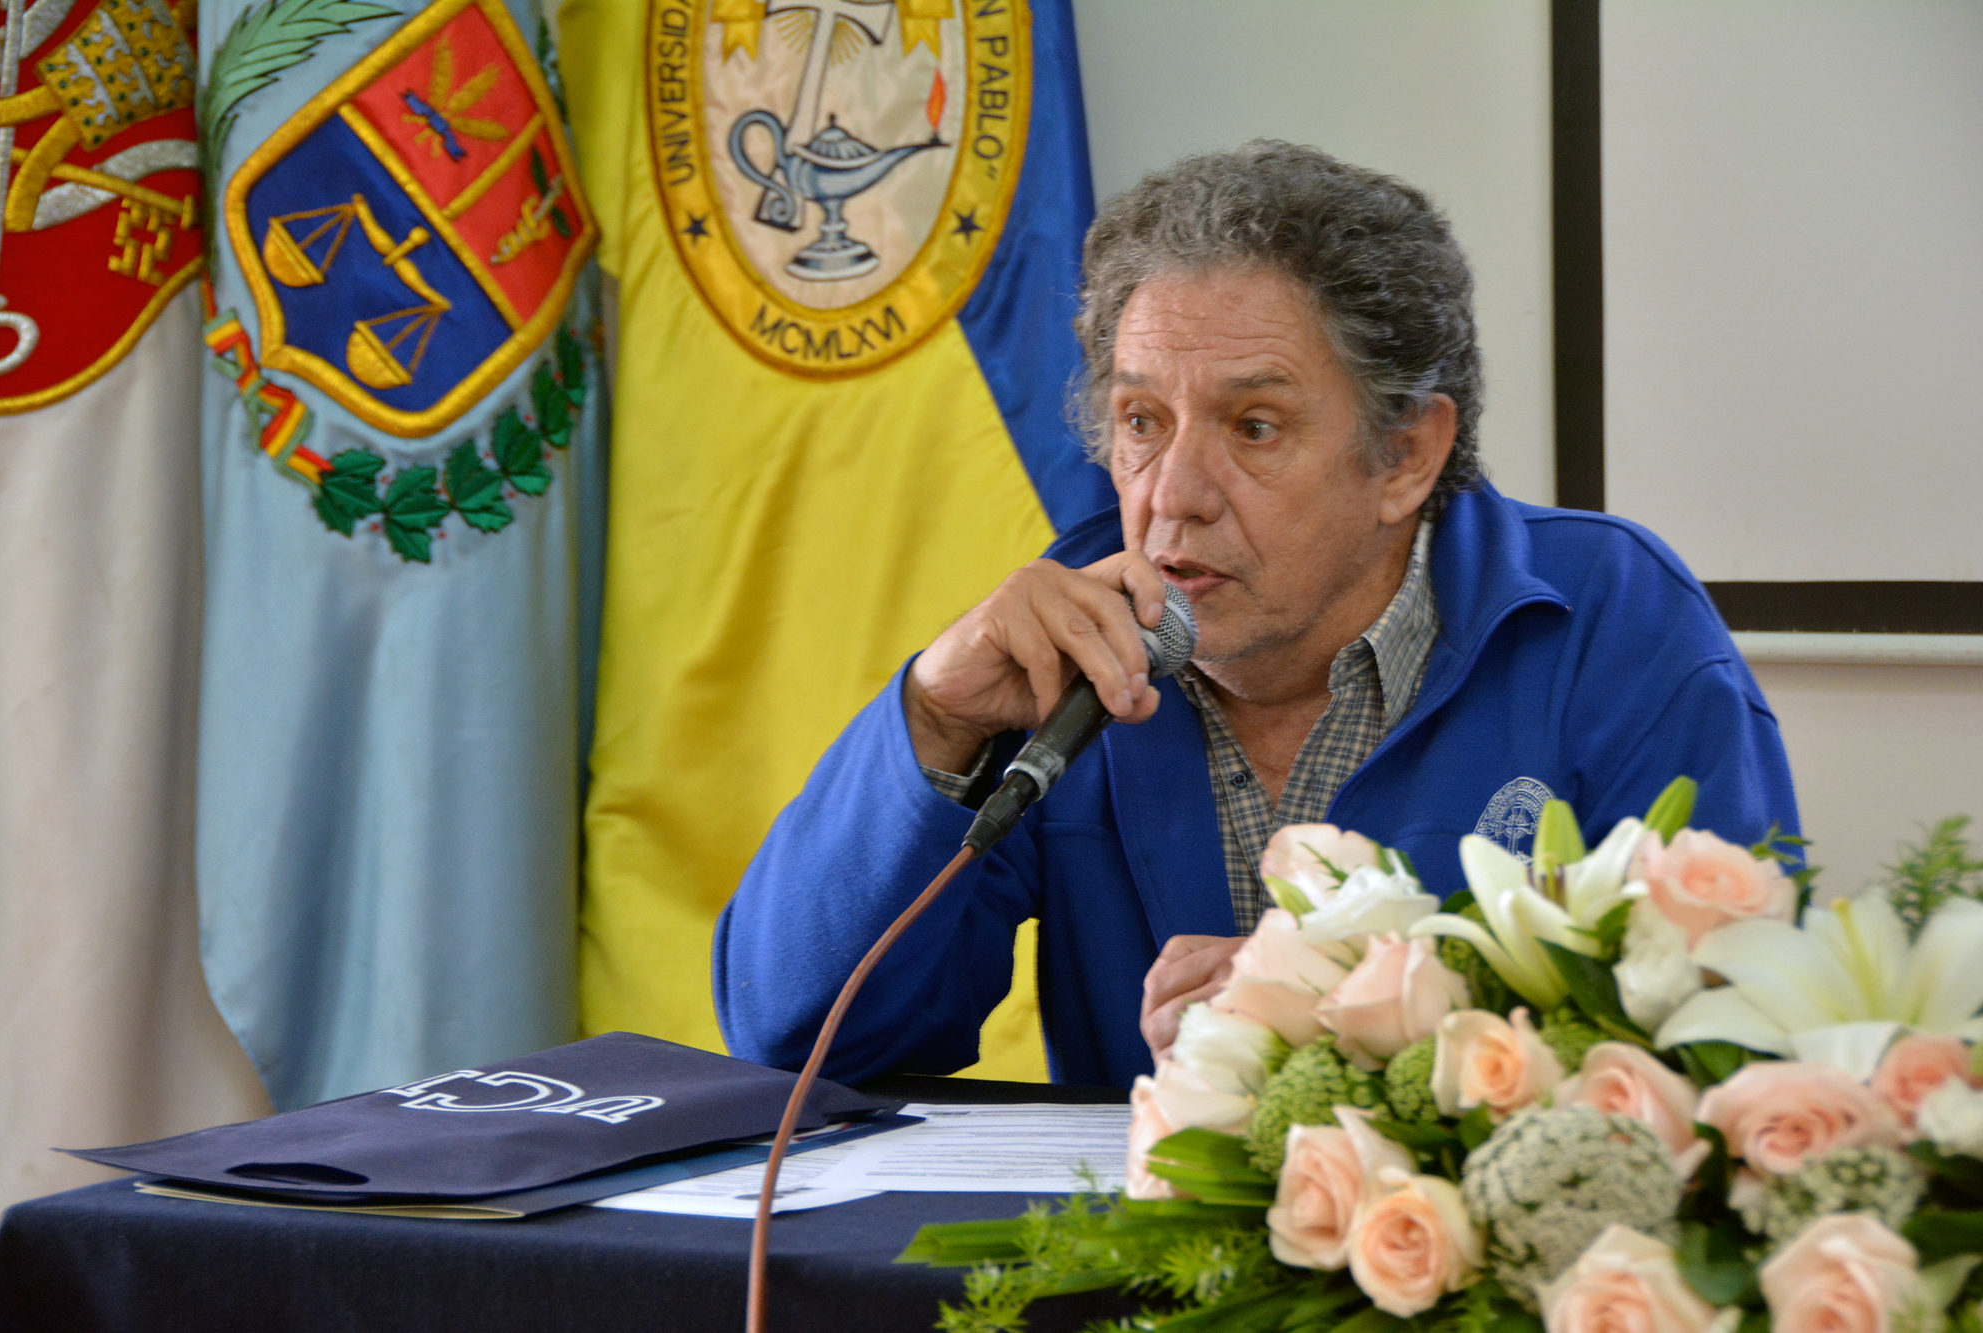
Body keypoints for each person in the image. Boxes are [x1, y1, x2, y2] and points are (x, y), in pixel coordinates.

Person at [713, 142, 1797, 1089]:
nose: (1172, 496)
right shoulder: (1073, 642)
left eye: (1254, 426)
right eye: (1142, 420)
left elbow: (1731, 1029)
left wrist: (1387, 1002)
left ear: (1404, 455)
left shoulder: (1605, 617)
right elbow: (800, 1038)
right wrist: (935, 719)